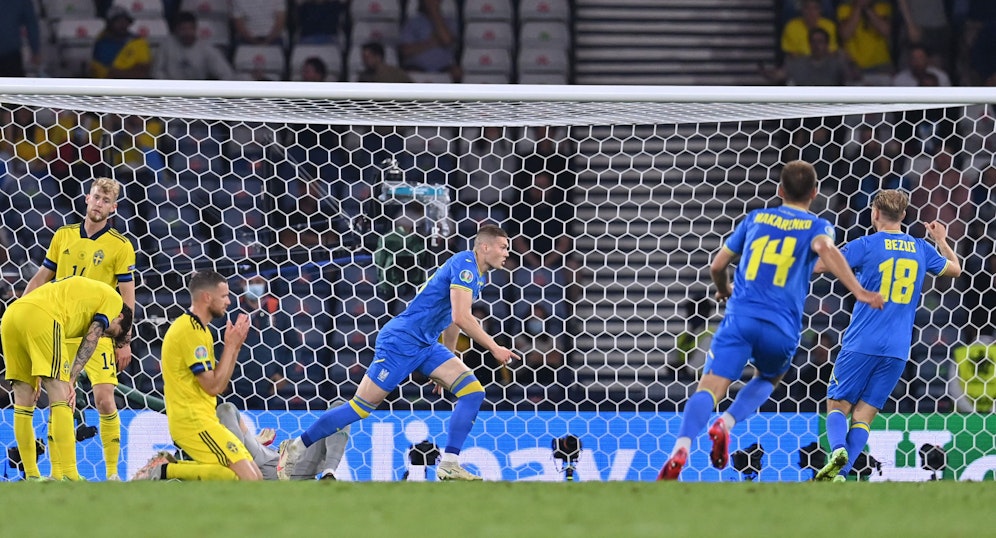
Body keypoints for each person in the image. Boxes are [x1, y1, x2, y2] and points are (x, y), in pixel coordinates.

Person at [657, 160, 885, 481]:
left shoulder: (756, 218)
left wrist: (723, 290)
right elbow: (825, 249)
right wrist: (858, 290)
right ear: (815, 193)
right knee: (769, 377)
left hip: (741, 316)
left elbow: (716, 265)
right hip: (781, 326)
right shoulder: (818, 225)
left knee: (709, 386)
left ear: (779, 190)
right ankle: (727, 423)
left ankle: (680, 447)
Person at [277, 225, 518, 481]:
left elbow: (452, 319)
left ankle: (449, 463)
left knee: (472, 392)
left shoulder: (477, 275)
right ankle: (295, 448)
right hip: (401, 341)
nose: (507, 253)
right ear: (485, 247)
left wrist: (448, 358)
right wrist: (494, 347)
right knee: (360, 408)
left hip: (426, 345)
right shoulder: (465, 266)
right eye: (503, 247)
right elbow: (462, 316)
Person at [812, 189, 961, 481]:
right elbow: (955, 269)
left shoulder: (866, 244)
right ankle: (839, 475)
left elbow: (819, 266)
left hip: (862, 341)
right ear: (904, 216)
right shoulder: (920, 247)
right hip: (897, 348)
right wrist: (940, 239)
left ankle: (838, 450)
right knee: (864, 416)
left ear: (875, 213)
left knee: (837, 405)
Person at [21, 177, 137, 481]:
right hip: (61, 327)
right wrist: (22, 306)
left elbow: (127, 299)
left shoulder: (121, 246)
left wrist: (124, 340)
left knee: (104, 399)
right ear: (87, 199)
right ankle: (57, 473)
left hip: (98, 331)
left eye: (105, 201)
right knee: (59, 398)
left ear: (113, 208)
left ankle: (112, 474)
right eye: (96, 197)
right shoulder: (63, 235)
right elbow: (43, 276)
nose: (99, 204)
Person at [1, 276, 132, 481]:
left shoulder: (85, 295)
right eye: (112, 333)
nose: (107, 336)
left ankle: (33, 476)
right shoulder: (114, 300)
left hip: (12, 315)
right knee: (60, 395)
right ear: (120, 318)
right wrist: (71, 379)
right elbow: (93, 335)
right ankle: (71, 474)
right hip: (43, 316)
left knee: (23, 400)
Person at [157, 270, 261, 480]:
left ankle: (169, 468)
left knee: (255, 477)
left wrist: (236, 347)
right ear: (207, 297)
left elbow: (219, 384)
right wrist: (230, 347)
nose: (229, 302)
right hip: (192, 423)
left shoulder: (202, 331)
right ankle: (164, 470)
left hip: (205, 419)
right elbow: (212, 387)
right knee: (248, 480)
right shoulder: (190, 331)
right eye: (224, 296)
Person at [134, 402, 349, 480]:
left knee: (340, 409)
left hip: (288, 460)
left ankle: (329, 474)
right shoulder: (203, 458)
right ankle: (239, 460)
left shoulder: (200, 445)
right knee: (226, 408)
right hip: (252, 460)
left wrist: (253, 440)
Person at [153, 11, 236, 80]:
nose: (188, 33)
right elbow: (156, 72)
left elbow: (226, 74)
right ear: (176, 30)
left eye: (191, 28)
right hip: (171, 93)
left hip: (198, 93)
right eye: (183, 29)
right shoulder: (166, 46)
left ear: (196, 29)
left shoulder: (206, 48)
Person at [399, 0, 460, 80]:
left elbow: (447, 40)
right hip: (416, 68)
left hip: (444, 69)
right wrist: (432, 42)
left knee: (457, 73)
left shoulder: (449, 21)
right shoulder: (412, 22)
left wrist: (434, 13)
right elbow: (405, 51)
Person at [91, 6, 152, 79]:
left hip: (136, 86)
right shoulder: (101, 44)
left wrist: (121, 73)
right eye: (118, 21)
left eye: (126, 21)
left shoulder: (138, 41)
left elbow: (144, 71)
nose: (123, 25)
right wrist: (132, 72)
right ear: (109, 23)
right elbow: (107, 74)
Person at [948, 329, 996, 413]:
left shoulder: (961, 353)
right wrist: (992, 410)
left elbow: (953, 387)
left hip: (964, 416)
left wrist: (971, 411)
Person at [0, 0, 41, 77]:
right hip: (10, 53)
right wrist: (35, 50)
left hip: (10, 53)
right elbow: (31, 24)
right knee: (13, 86)